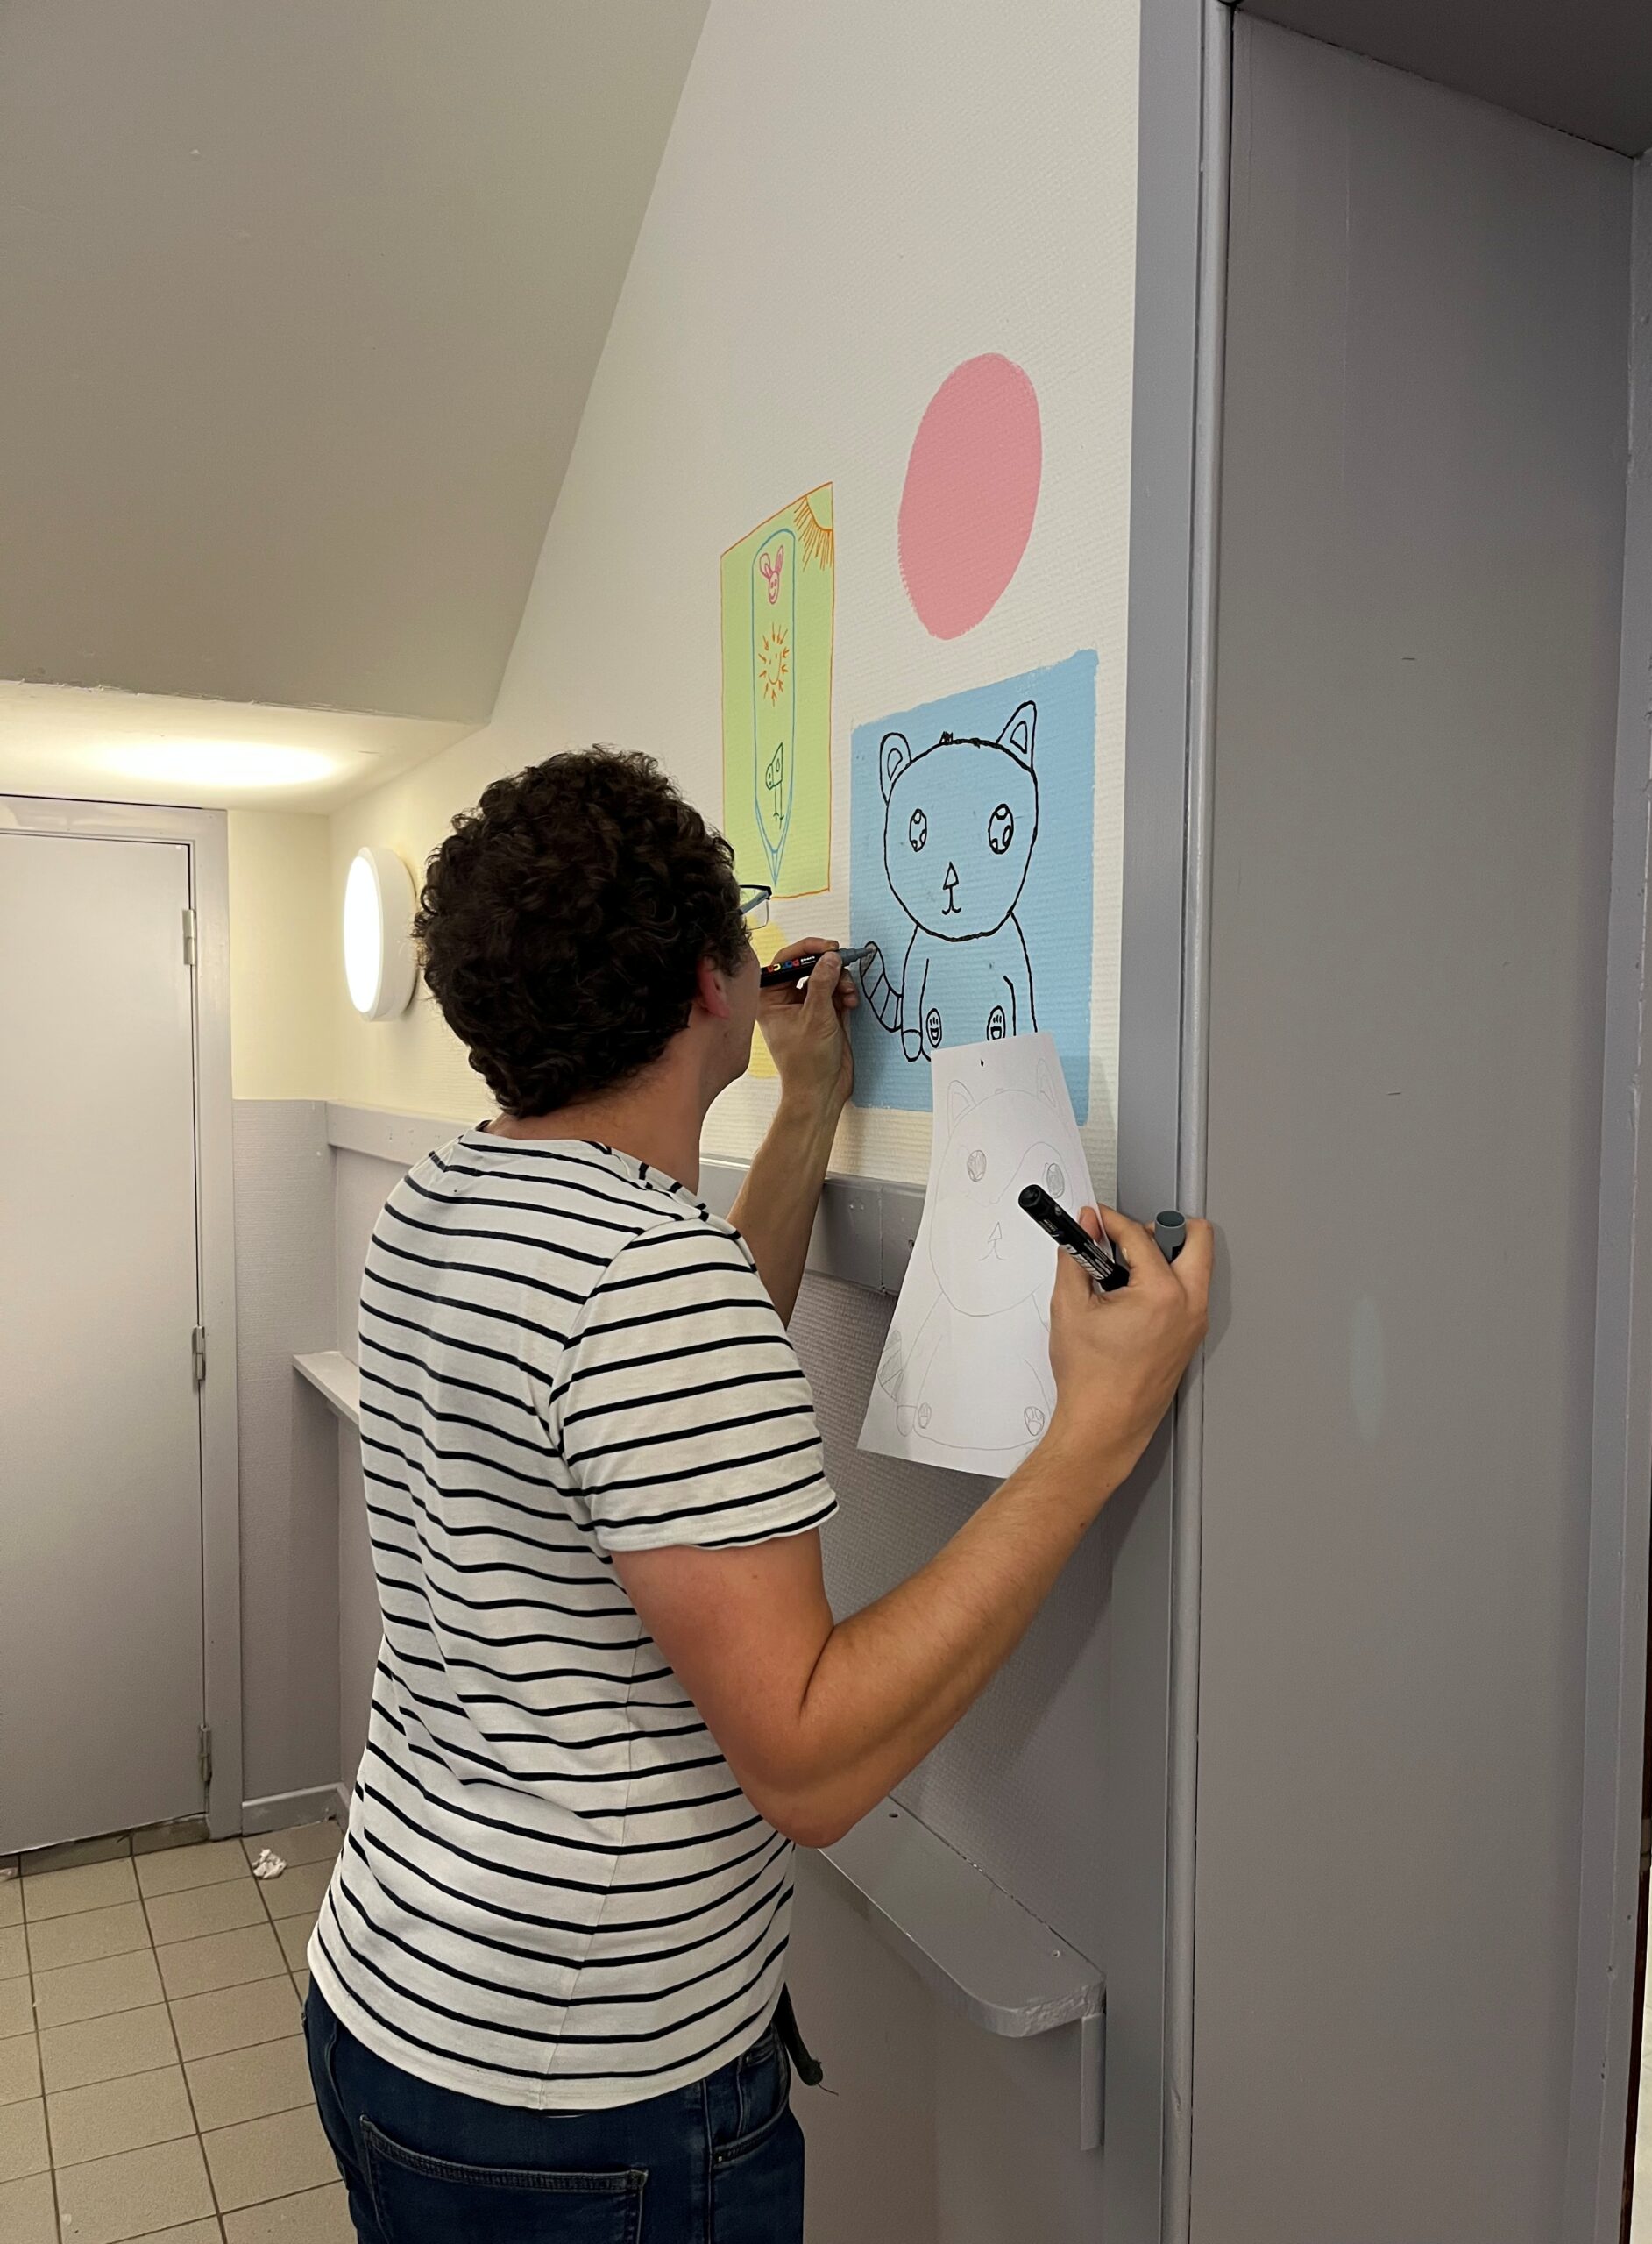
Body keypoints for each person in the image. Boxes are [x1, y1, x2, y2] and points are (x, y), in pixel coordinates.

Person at [303, 746, 1211, 2242]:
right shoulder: (647, 1287)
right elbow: (809, 1764)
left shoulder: (444, 1205)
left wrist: (809, 1103)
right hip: (580, 2098)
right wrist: (1094, 1431)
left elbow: (652, 1425)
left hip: (397, 1996)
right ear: (710, 983)